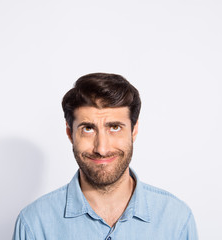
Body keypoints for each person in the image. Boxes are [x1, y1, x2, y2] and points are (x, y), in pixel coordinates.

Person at [13, 73, 198, 240]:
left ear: (134, 131)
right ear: (70, 134)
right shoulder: (33, 224)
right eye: (88, 128)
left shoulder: (177, 220)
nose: (101, 148)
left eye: (115, 127)